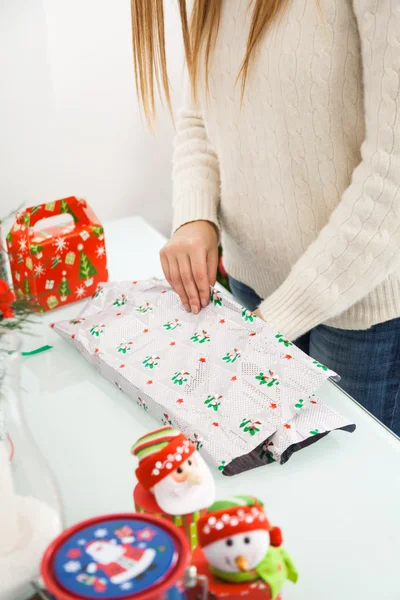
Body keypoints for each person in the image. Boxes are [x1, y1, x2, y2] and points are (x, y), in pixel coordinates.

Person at [131, 0, 400, 436]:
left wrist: (272, 324)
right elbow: (202, 113)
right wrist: (195, 217)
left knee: (343, 490)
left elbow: (393, 176)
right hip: (252, 293)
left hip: (358, 311)